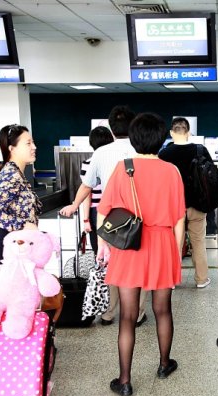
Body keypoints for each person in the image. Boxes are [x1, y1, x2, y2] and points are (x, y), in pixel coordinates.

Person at [97, 112, 186, 396]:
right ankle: (163, 364)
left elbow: (104, 213)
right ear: (162, 139)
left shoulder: (123, 169)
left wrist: (106, 247)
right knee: (163, 310)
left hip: (129, 245)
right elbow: (179, 221)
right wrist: (176, 255)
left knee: (127, 316)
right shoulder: (171, 171)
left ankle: (124, 380)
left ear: (133, 139)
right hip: (161, 245)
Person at [59, 106, 146, 327]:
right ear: (134, 125)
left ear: (112, 129)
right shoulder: (141, 150)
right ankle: (137, 313)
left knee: (112, 264)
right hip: (141, 217)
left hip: (112, 220)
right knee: (139, 266)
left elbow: (86, 186)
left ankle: (108, 313)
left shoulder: (101, 153)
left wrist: (74, 205)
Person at [159, 117, 212, 288]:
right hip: (197, 204)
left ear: (171, 133)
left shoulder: (164, 154)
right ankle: (201, 279)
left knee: (174, 243)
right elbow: (211, 175)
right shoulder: (200, 150)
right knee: (198, 242)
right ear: (189, 132)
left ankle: (172, 280)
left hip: (172, 207)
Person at [0, 124, 42, 264]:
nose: (34, 147)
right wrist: (23, 225)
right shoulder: (10, 175)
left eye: (33, 142)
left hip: (21, 245)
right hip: (12, 248)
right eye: (28, 143)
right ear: (12, 149)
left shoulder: (17, 173)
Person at [80, 126, 114, 255]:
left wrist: (86, 219)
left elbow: (87, 192)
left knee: (98, 250)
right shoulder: (118, 162)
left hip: (96, 211)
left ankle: (102, 273)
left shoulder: (88, 163)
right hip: (117, 210)